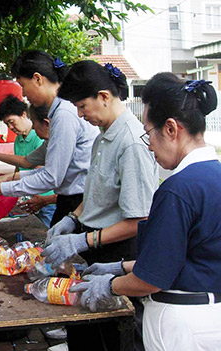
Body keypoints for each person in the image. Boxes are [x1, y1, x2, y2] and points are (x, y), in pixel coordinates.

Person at [70, 73, 221, 351]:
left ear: (172, 129)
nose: (148, 143)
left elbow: (152, 279)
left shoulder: (177, 190)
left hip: (181, 326)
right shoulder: (215, 175)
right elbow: (185, 258)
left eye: (149, 132)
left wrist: (110, 285)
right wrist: (119, 266)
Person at [42, 60, 159, 351]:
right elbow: (95, 193)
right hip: (94, 244)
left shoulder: (130, 142)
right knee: (84, 330)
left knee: (113, 337)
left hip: (117, 252)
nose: (81, 116)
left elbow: (139, 219)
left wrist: (82, 239)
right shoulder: (103, 136)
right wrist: (71, 218)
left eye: (82, 106)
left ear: (104, 97)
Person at [0, 51, 99, 228]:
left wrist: (2, 188)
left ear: (37, 79)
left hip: (79, 201)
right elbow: (30, 161)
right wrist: (8, 179)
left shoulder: (64, 114)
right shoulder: (58, 110)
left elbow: (51, 177)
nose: (24, 94)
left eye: (22, 85)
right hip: (71, 201)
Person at [0, 94, 57, 227]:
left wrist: (4, 182)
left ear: (24, 114)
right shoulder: (19, 139)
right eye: (7, 124)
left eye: (11, 122)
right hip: (30, 197)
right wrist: (6, 178)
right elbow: (23, 163)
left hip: (46, 199)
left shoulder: (41, 135)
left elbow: (39, 172)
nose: (10, 127)